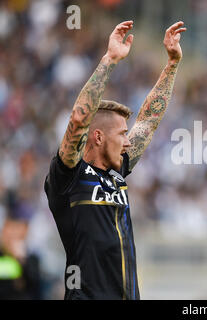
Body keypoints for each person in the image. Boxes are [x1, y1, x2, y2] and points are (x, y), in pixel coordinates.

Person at [44, 20, 186, 300]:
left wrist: (171, 63)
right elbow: (78, 119)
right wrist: (109, 60)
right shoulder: (69, 177)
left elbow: (148, 121)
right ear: (97, 137)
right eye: (122, 134)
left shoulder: (117, 171)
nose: (128, 140)